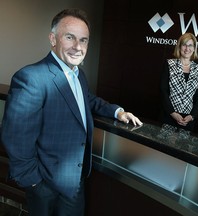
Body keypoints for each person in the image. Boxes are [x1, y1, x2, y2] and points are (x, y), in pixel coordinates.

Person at [1, 8, 142, 216]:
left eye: (83, 40)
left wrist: (117, 112)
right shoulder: (31, 78)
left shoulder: (78, 74)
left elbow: (86, 100)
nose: (78, 47)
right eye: (70, 37)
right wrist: (34, 183)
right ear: (53, 39)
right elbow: (15, 137)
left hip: (76, 181)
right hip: (45, 185)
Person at [159, 32, 198, 132]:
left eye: (190, 45)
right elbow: (163, 91)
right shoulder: (169, 64)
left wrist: (192, 116)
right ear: (179, 47)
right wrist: (173, 113)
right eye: (184, 45)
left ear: (194, 48)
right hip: (169, 115)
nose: (187, 49)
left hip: (187, 119)